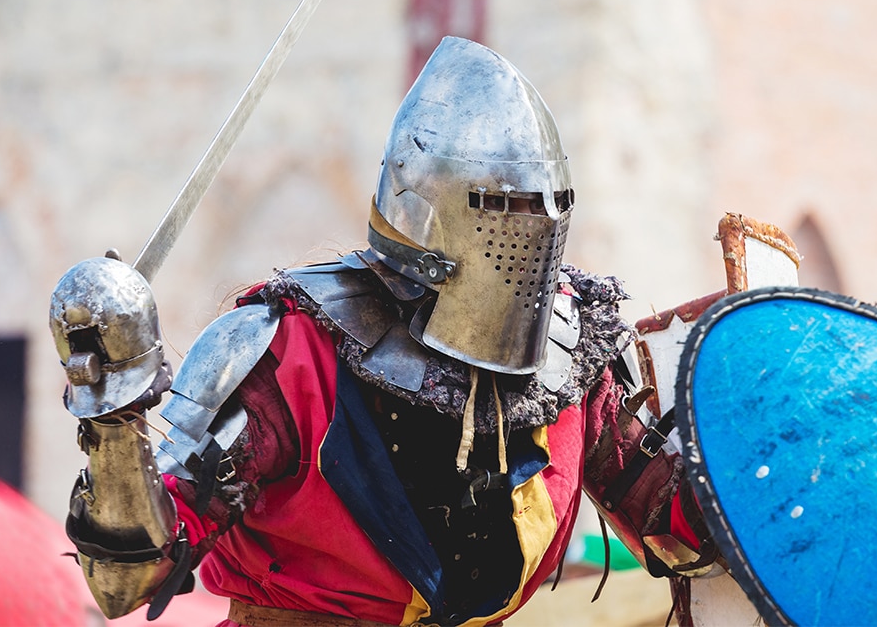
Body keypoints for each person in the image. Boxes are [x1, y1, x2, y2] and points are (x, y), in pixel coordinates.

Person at [50, 37, 710, 627]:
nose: (528, 229)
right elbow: (127, 579)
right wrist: (113, 417)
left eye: (546, 207)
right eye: (500, 208)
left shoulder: (572, 351)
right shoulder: (287, 351)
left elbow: (675, 530)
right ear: (425, 209)